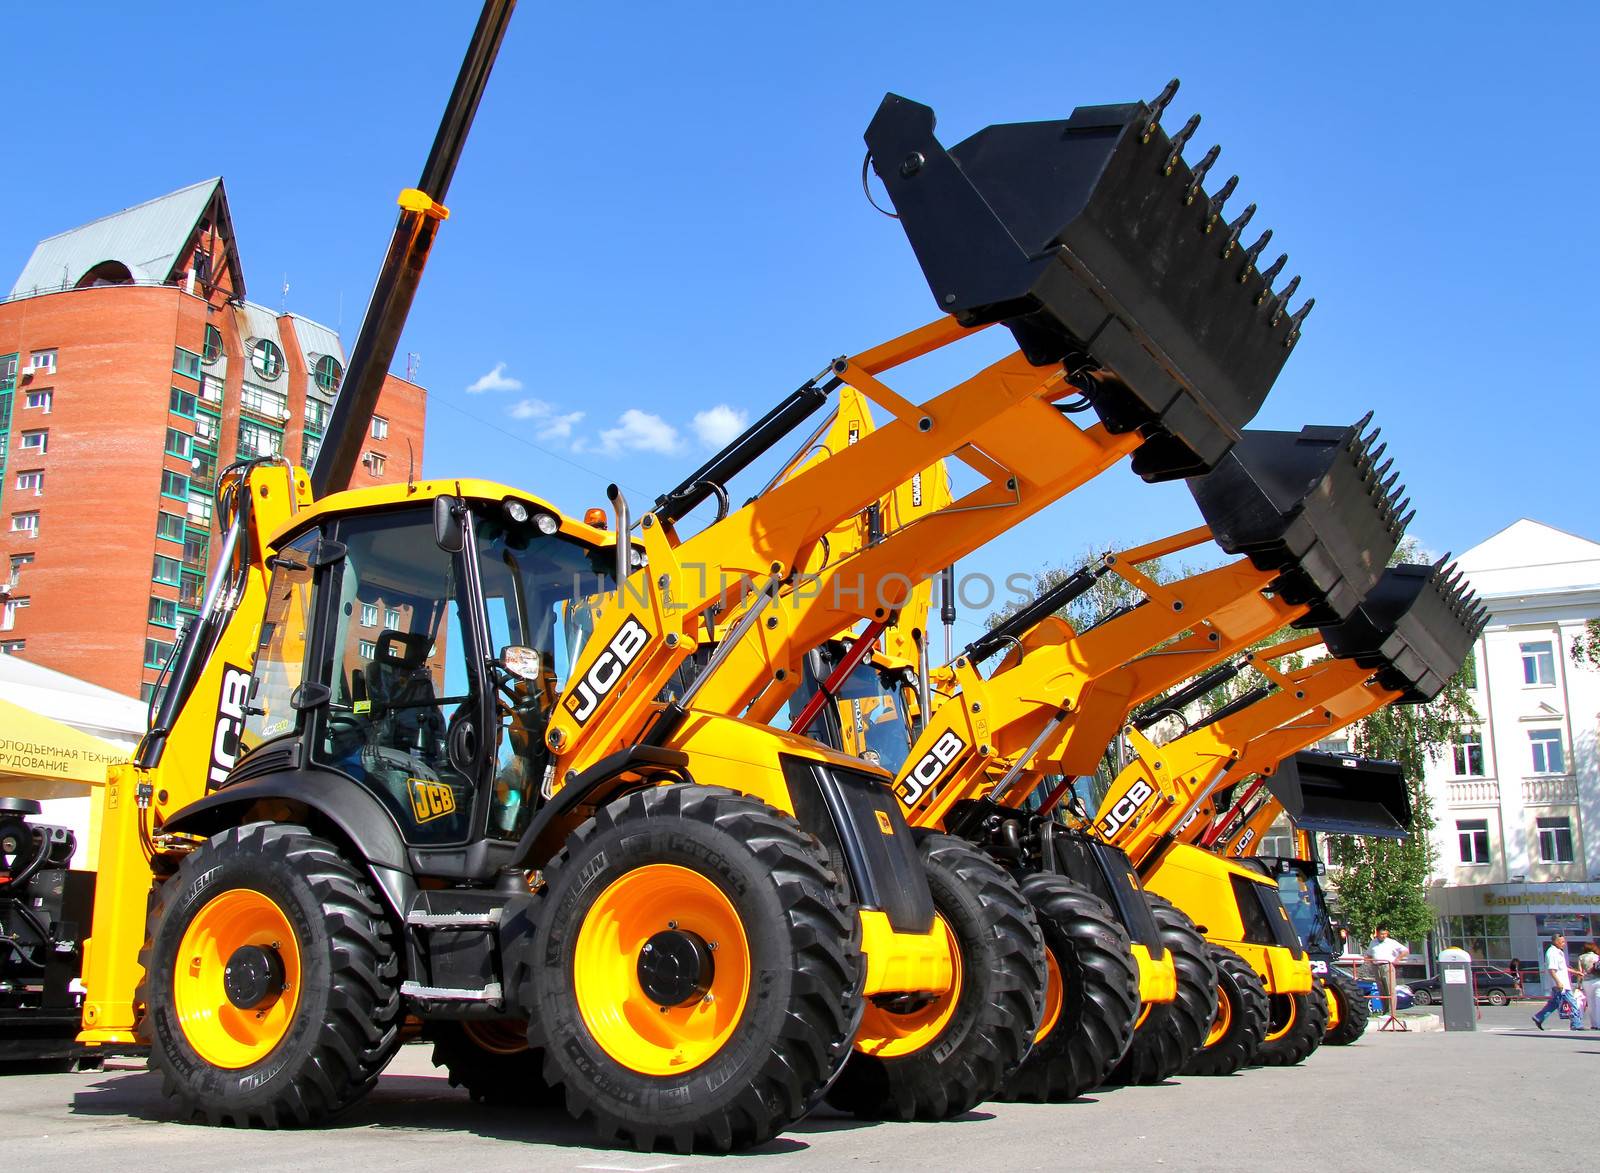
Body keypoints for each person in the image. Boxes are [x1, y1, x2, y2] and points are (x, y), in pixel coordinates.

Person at [1532, 934, 1581, 1030]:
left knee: (1554, 1003)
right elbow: (1551, 969)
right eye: (1562, 942)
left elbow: (1563, 968)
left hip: (1562, 984)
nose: (1564, 944)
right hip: (1561, 985)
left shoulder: (1558, 952)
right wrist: (1558, 982)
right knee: (1573, 1003)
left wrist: (1575, 972)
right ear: (1555, 941)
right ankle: (1576, 1024)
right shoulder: (1552, 953)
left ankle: (1539, 1017)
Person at [1366, 926, 1410, 1010]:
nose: (1383, 936)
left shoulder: (1391, 942)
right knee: (1381, 989)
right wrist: (1370, 961)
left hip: (1387, 966)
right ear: (1377, 933)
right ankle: (1385, 1011)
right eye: (1381, 934)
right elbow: (1369, 954)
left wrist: (1397, 959)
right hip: (1376, 967)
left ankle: (1391, 1012)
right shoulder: (1373, 942)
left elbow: (1405, 950)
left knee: (1390, 989)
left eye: (1385, 934)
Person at [1579, 942, 1600, 1031]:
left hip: (1586, 982)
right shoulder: (1597, 957)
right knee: (1598, 1003)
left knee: (1590, 1004)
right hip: (1598, 980)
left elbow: (1580, 972)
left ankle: (1594, 1024)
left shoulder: (1581, 957)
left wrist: (1579, 985)